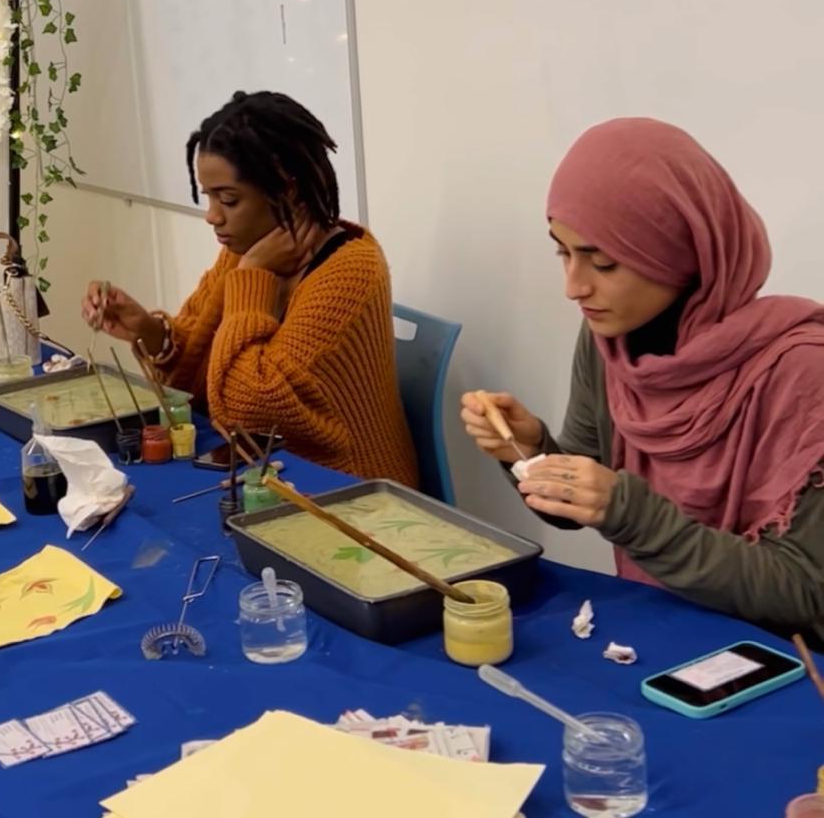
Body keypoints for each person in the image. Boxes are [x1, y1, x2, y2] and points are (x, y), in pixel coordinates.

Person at [462, 118, 824, 646]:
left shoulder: (802, 374)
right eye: (563, 252)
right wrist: (528, 451)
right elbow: (578, 508)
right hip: (655, 635)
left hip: (777, 665)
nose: (573, 287)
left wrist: (631, 514)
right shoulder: (610, 342)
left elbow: (805, 592)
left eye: (603, 263)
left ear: (678, 253)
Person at [83, 90, 417, 486]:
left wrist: (252, 274)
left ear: (286, 189)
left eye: (228, 200)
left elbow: (247, 405)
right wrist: (149, 331)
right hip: (272, 469)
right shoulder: (244, 250)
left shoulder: (349, 270)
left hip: (349, 487)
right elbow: (201, 378)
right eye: (208, 197)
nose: (212, 216)